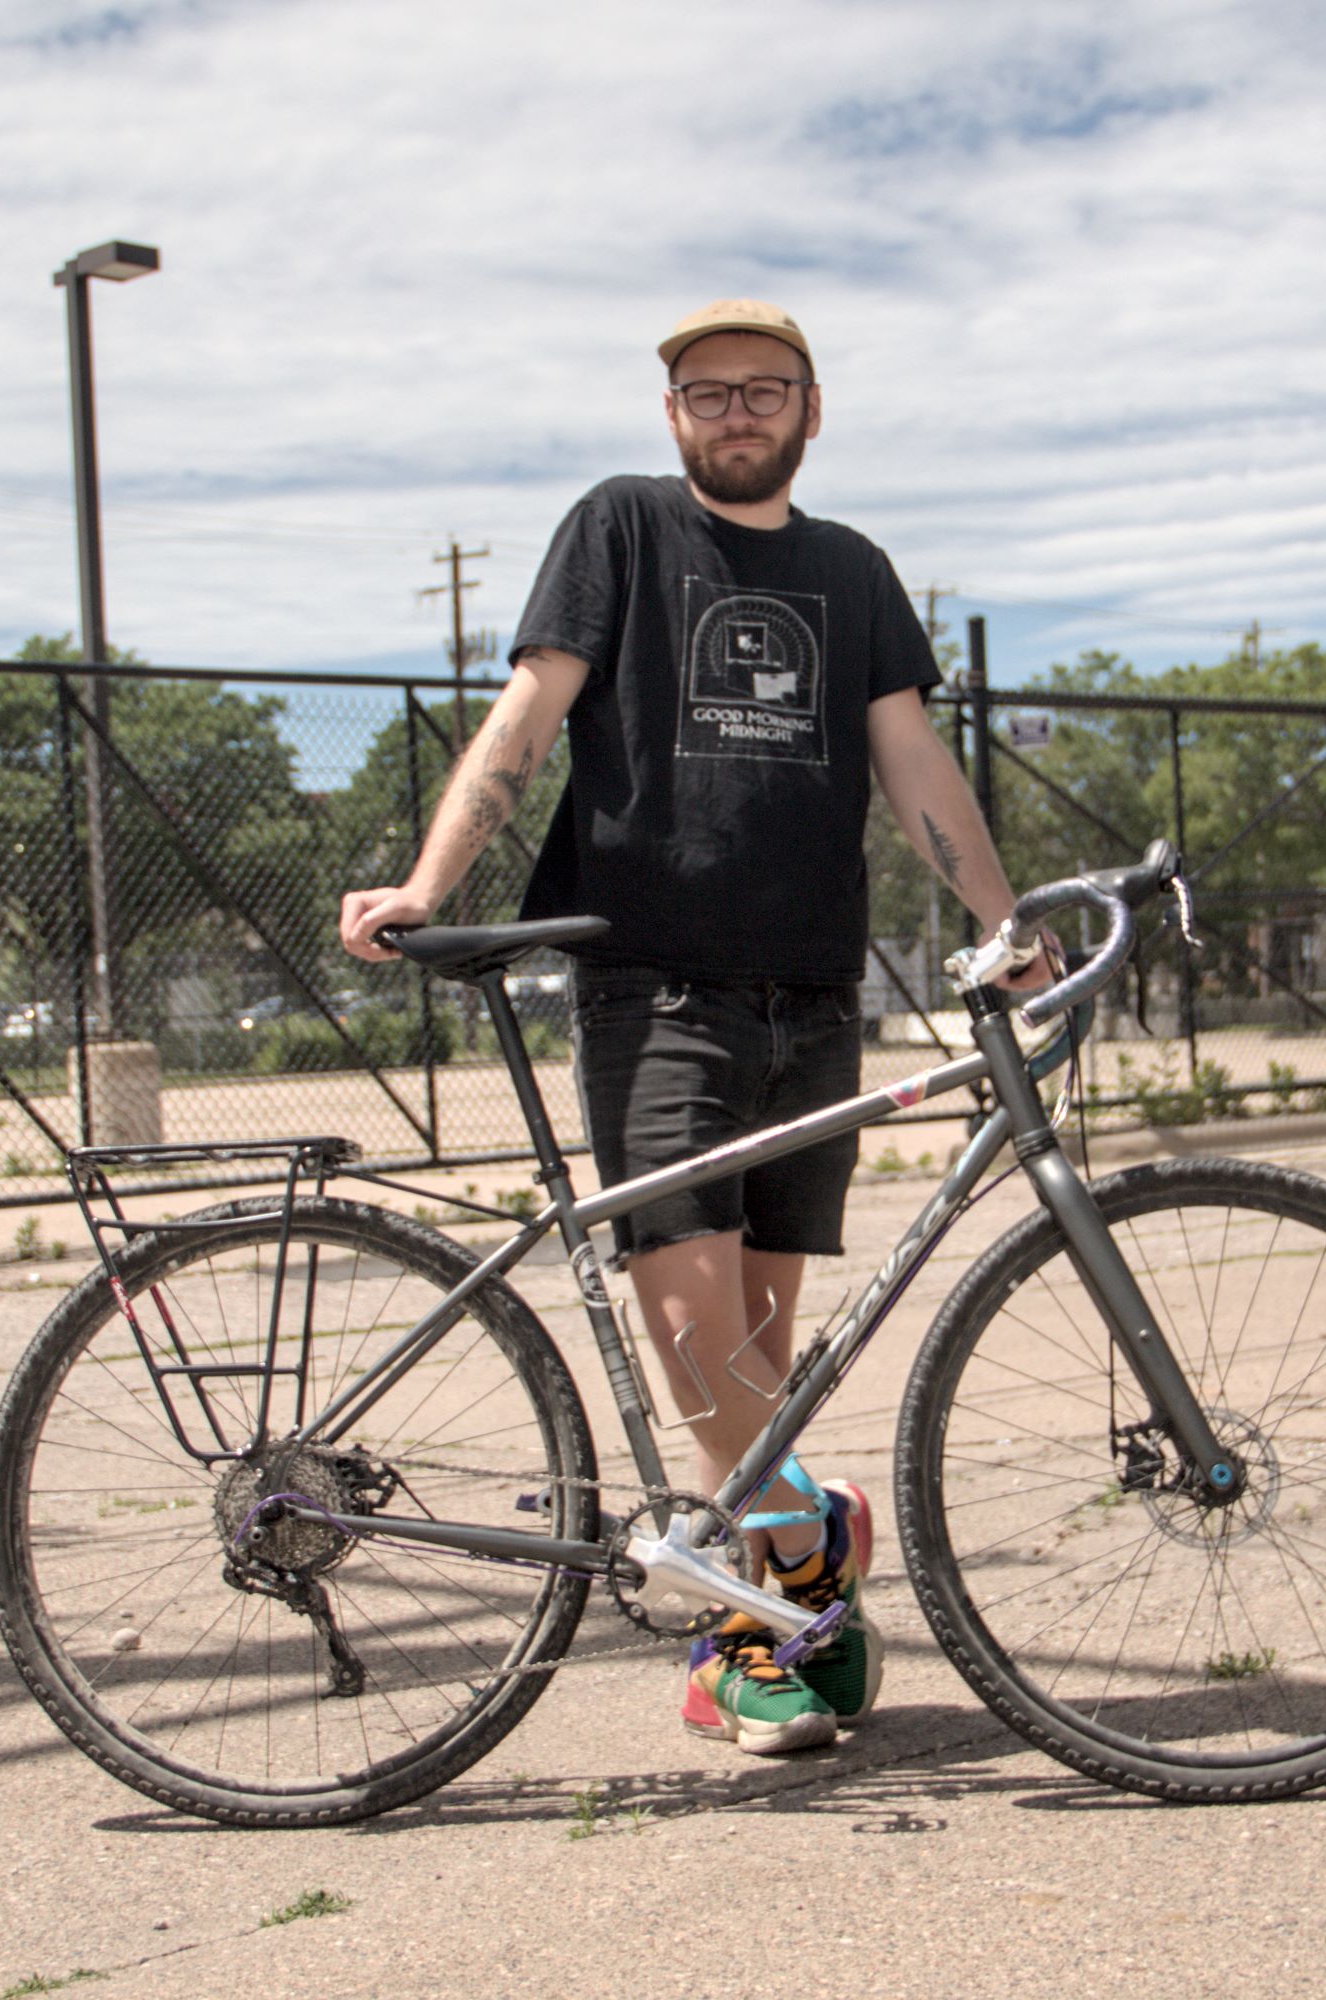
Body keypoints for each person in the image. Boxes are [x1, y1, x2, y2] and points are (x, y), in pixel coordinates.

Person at [341, 298, 1046, 1756]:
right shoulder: (622, 527)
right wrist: (426, 879)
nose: (737, 412)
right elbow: (531, 714)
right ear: (673, 417)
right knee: (694, 1343)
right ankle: (810, 1558)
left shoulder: (852, 571)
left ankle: (750, 1647)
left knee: (756, 1369)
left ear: (811, 408)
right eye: (708, 392)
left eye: (764, 389)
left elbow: (910, 752)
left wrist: (998, 917)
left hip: (812, 994)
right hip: (656, 985)